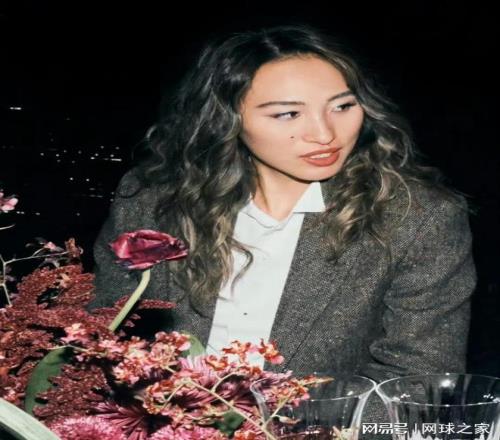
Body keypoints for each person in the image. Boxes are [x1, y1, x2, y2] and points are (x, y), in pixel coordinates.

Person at [89, 24, 476, 432]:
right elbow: (104, 335)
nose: (324, 134)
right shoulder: (152, 200)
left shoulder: (418, 218)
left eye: (343, 106)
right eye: (287, 114)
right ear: (226, 119)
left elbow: (416, 383)